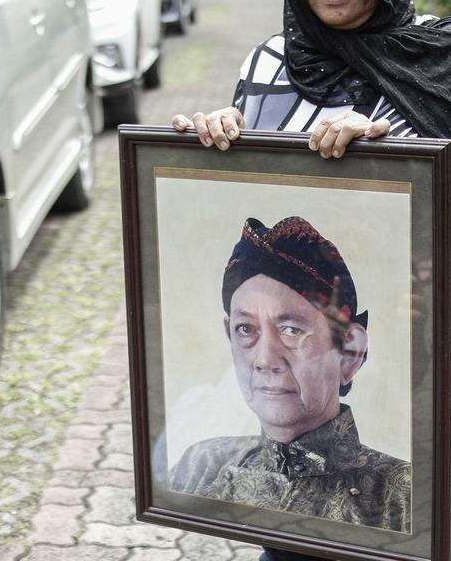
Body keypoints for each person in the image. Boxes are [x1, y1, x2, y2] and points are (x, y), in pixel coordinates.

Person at [171, 0, 451, 560]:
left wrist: (388, 157)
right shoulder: (269, 64)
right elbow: (259, 195)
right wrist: (220, 144)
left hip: (411, 380)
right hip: (292, 424)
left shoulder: (448, 54)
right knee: (286, 544)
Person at [169, 216, 410, 533]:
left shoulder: (400, 495)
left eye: (292, 329)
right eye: (245, 329)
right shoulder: (200, 466)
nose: (265, 359)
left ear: (350, 352)